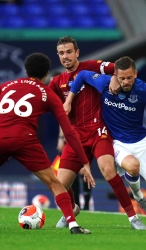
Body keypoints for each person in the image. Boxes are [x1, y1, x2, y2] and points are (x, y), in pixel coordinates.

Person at [0, 53, 94, 234]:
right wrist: (84, 161)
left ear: (26, 71)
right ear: (46, 73)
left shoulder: (7, 85)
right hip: (24, 139)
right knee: (54, 183)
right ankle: (73, 225)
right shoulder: (48, 93)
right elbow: (69, 132)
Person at [64, 56, 146, 230]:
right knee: (133, 166)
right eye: (121, 78)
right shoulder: (105, 83)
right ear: (115, 75)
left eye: (129, 77)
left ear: (135, 74)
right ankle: (138, 196)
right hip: (117, 142)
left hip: (142, 142)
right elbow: (83, 74)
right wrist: (69, 100)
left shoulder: (143, 89)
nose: (126, 81)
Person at [48, 36, 146, 230]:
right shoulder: (56, 82)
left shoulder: (92, 66)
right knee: (59, 184)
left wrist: (113, 77)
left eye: (69, 52)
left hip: (98, 130)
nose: (66, 56)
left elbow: (118, 68)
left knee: (107, 169)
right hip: (75, 136)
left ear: (77, 52)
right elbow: (46, 101)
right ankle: (73, 208)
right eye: (61, 53)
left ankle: (133, 217)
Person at [50, 70, 92, 210]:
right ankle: (77, 204)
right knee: (71, 171)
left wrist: (61, 138)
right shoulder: (59, 99)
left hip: (83, 134)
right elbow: (63, 121)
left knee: (83, 170)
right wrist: (61, 138)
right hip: (70, 136)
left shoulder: (71, 95)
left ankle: (85, 204)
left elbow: (67, 119)